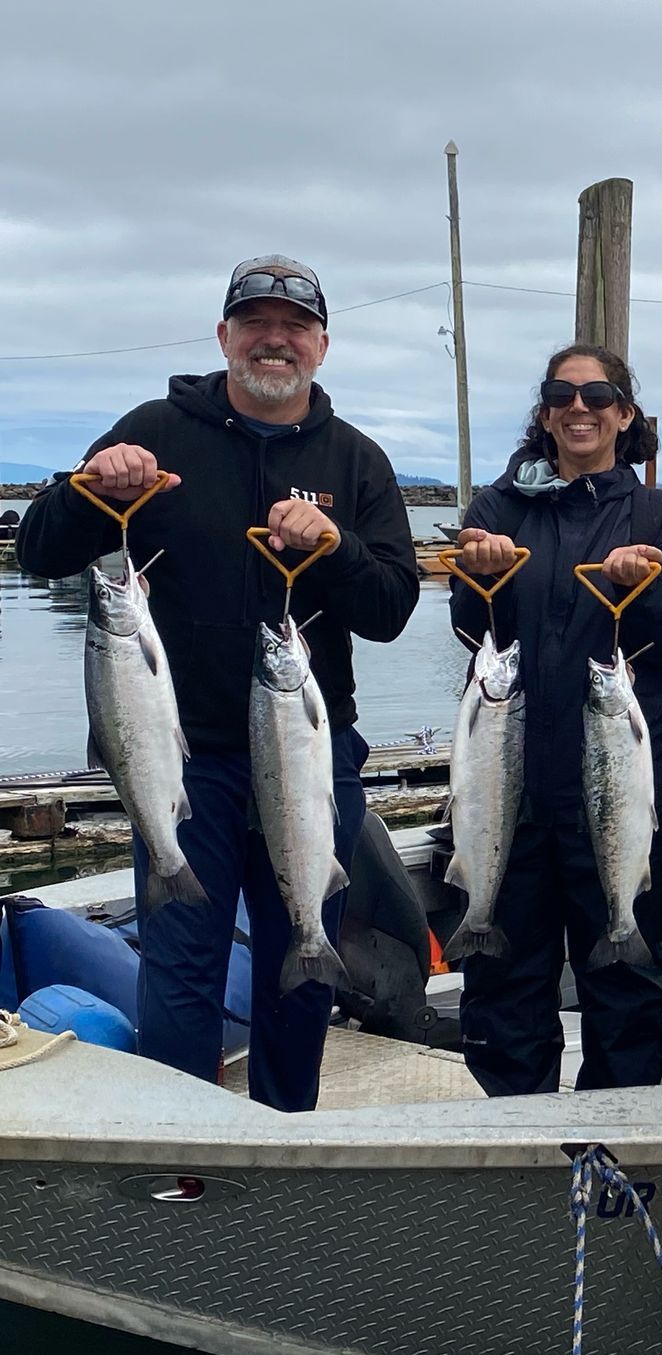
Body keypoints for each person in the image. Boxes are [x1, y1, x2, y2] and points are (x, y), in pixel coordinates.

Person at [15, 254, 419, 1111]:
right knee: (179, 968)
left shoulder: (357, 461)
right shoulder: (156, 429)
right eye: (257, 323)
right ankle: (186, 1153)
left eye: (295, 326)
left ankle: (286, 1140)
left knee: (301, 968)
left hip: (311, 756)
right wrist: (89, 490)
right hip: (182, 760)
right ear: (224, 336)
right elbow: (39, 550)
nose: (275, 340)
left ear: (322, 345)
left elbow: (389, 607)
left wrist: (336, 547)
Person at [447, 345, 662, 1094]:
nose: (579, 407)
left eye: (598, 395)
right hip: (509, 788)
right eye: (563, 393)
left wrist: (644, 588)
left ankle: (611, 1154)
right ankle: (515, 1145)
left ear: (626, 414)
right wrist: (483, 577)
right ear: (545, 412)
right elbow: (474, 633)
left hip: (622, 789)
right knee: (503, 988)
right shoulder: (497, 510)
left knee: (625, 993)